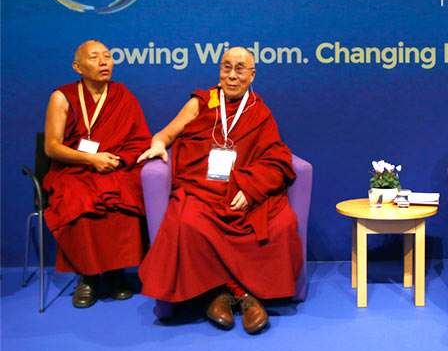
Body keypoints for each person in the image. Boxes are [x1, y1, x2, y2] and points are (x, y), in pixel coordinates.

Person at [137, 46, 303, 334]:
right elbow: (168, 132)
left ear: (252, 75)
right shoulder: (200, 103)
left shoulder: (259, 112)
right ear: (219, 71)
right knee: (188, 220)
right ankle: (234, 294)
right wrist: (158, 144)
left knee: (281, 222)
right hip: (203, 187)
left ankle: (232, 294)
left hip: (242, 188)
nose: (232, 75)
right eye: (226, 67)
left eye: (240, 69)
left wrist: (251, 189)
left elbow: (276, 158)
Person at [43, 40, 152, 308]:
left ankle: (116, 273)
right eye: (94, 58)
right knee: (80, 200)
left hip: (112, 165)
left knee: (126, 194)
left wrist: (118, 160)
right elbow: (51, 147)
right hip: (75, 168)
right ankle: (88, 277)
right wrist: (91, 159)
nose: (103, 62)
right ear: (77, 67)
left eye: (107, 56)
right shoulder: (62, 96)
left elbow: (140, 140)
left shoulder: (123, 95)